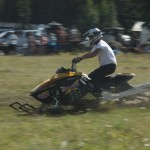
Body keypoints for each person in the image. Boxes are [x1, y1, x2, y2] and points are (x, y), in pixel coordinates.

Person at [73, 28, 117, 94]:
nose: (90, 39)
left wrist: (81, 58)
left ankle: (97, 94)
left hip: (109, 66)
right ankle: (104, 91)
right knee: (94, 77)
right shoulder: (97, 44)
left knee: (92, 77)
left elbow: (93, 54)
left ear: (96, 36)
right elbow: (90, 53)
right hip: (107, 66)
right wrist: (79, 58)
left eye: (91, 37)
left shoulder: (101, 44)